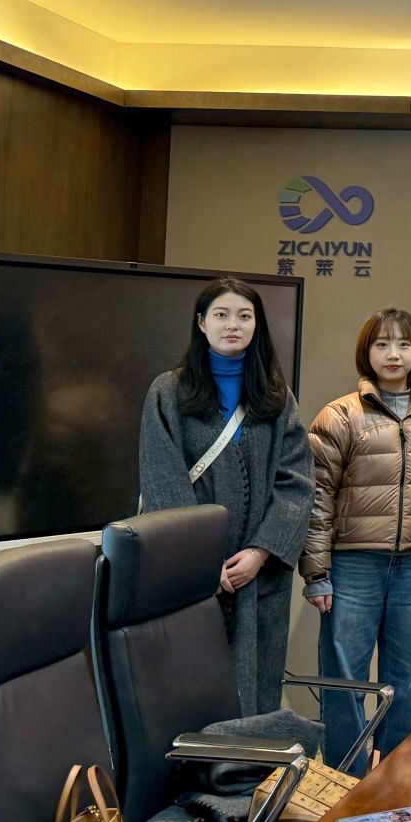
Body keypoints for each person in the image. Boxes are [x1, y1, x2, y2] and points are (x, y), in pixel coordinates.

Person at [139, 276, 313, 716]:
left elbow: (296, 482)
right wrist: (203, 559)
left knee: (256, 693)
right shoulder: (168, 392)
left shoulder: (276, 397)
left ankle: (251, 763)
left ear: (257, 325)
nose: (233, 324)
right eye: (221, 314)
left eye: (244, 316)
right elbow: (162, 480)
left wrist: (260, 552)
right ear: (202, 323)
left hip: (259, 576)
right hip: (192, 574)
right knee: (190, 689)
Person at [301, 308, 411, 767]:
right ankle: (345, 782)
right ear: (366, 352)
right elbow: (317, 500)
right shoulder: (339, 415)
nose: (394, 354)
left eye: (404, 344)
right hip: (352, 565)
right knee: (345, 680)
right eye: (382, 344)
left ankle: (399, 779)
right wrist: (316, 573)